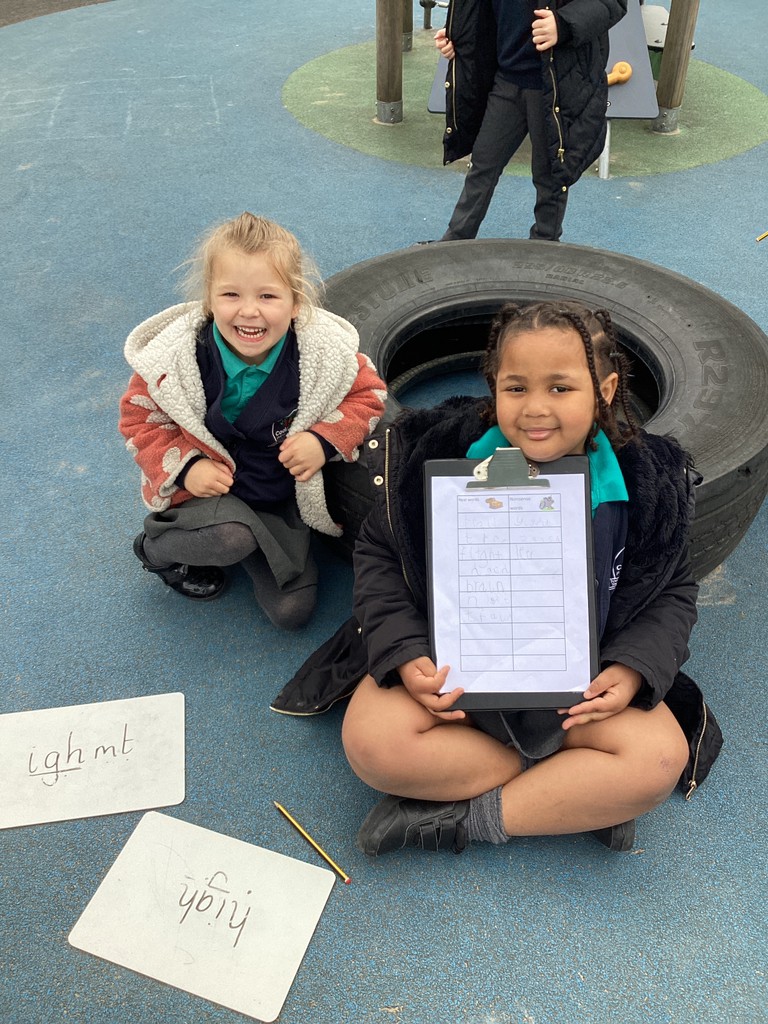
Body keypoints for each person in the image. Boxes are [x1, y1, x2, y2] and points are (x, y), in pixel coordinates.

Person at [337, 299, 722, 855]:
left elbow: (673, 591)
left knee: (659, 758)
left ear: (605, 391)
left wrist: (633, 670)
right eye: (516, 387)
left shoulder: (646, 484)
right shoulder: (437, 460)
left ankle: (465, 818)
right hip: (458, 686)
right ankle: (569, 796)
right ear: (493, 386)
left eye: (561, 388)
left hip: (577, 696)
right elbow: (379, 553)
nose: (536, 408)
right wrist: (403, 651)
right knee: (371, 744)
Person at [119, 212, 387, 629]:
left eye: (267, 296)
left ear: (296, 303)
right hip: (207, 493)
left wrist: (323, 439)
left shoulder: (322, 356)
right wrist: (188, 467)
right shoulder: (174, 361)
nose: (248, 312)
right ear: (209, 299)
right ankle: (156, 550)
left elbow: (370, 394)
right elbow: (140, 419)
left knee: (292, 613)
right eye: (230, 295)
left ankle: (254, 545)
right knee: (230, 537)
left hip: (273, 497)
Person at [435, 0, 627, 241]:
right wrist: (458, 36)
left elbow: (612, 3)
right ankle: (455, 239)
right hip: (506, 79)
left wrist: (563, 24)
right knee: (483, 163)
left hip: (554, 83)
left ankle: (545, 242)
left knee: (549, 174)